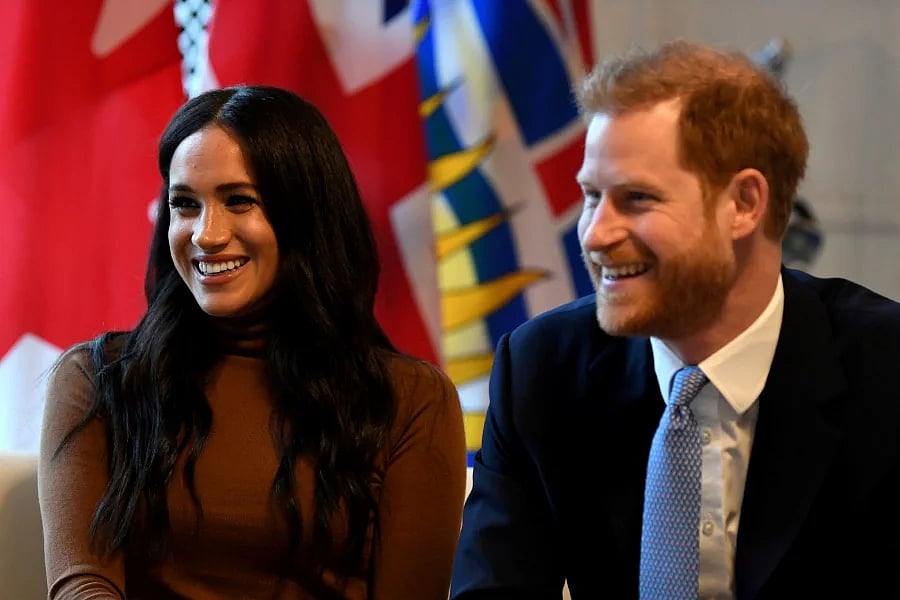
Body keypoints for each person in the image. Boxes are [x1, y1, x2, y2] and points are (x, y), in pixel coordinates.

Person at [450, 39, 900, 599]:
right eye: (591, 195)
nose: (595, 234)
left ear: (744, 203)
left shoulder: (886, 371)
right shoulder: (542, 369)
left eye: (637, 198)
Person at [39, 84, 468, 599]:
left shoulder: (411, 400)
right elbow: (82, 585)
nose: (206, 234)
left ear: (306, 214)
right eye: (185, 204)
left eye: (239, 201)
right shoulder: (97, 380)